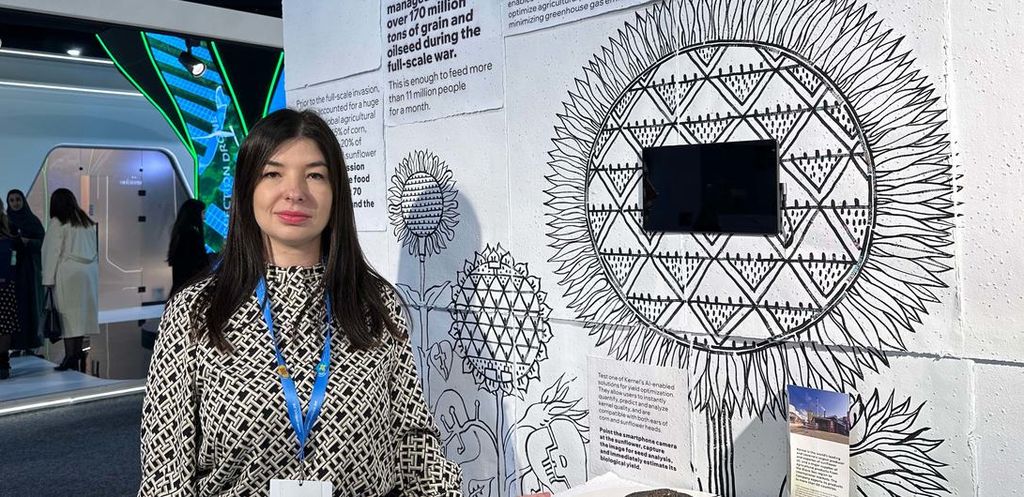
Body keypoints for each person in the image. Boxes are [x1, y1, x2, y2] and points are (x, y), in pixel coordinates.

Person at [139, 109, 462, 496]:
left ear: (336, 193)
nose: (295, 192)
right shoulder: (197, 310)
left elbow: (414, 444)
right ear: (247, 189)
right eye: (273, 174)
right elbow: (164, 473)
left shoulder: (375, 304)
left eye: (314, 175)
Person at [41, 188, 99, 372]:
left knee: (67, 316)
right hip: (88, 273)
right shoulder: (84, 221)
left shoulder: (58, 222)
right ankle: (76, 353)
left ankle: (69, 356)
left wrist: (47, 279)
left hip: (68, 273)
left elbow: (51, 252)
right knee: (80, 316)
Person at [6, 189, 44, 356]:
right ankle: (15, 345)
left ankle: (31, 344)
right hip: (11, 271)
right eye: (12, 200)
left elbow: (43, 243)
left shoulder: (32, 221)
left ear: (23, 201)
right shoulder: (6, 221)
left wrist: (28, 242)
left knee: (31, 305)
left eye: (18, 199)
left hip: (30, 270)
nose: (15, 203)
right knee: (14, 307)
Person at [167, 198, 209, 297]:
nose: (205, 218)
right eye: (203, 213)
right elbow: (198, 263)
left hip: (180, 289)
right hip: (189, 289)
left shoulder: (180, 233)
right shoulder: (191, 235)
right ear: (195, 214)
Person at [0, 201, 19, 379]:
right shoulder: (10, 235)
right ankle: (3, 364)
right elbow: (14, 261)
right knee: (5, 326)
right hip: (6, 286)